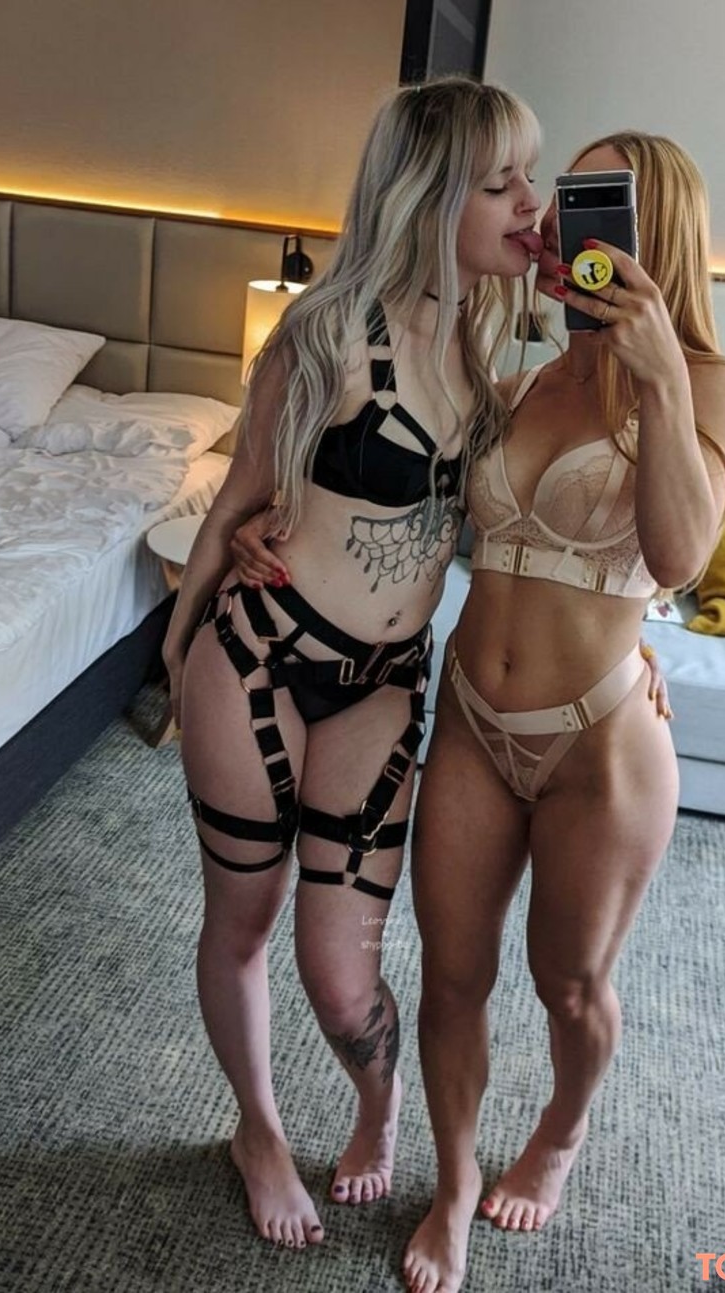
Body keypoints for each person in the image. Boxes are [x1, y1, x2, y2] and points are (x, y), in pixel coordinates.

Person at [160, 76, 546, 1250]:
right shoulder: (323, 336)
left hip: (381, 683)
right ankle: (259, 1130)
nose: (531, 201)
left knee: (341, 972)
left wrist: (634, 643)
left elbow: (554, 535)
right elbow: (236, 501)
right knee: (243, 918)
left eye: (530, 176)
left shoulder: (492, 349)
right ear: (431, 198)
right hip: (256, 659)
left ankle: (378, 1110)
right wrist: (176, 652)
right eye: (503, 183)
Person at [399, 132, 725, 1293]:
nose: (563, 220)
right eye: (566, 197)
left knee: (571, 985)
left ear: (657, 234)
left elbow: (680, 556)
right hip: (470, 720)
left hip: (600, 744)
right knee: (451, 977)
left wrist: (656, 377)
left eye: (600, 202)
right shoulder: (521, 373)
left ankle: (560, 1132)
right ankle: (453, 1185)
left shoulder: (710, 382)